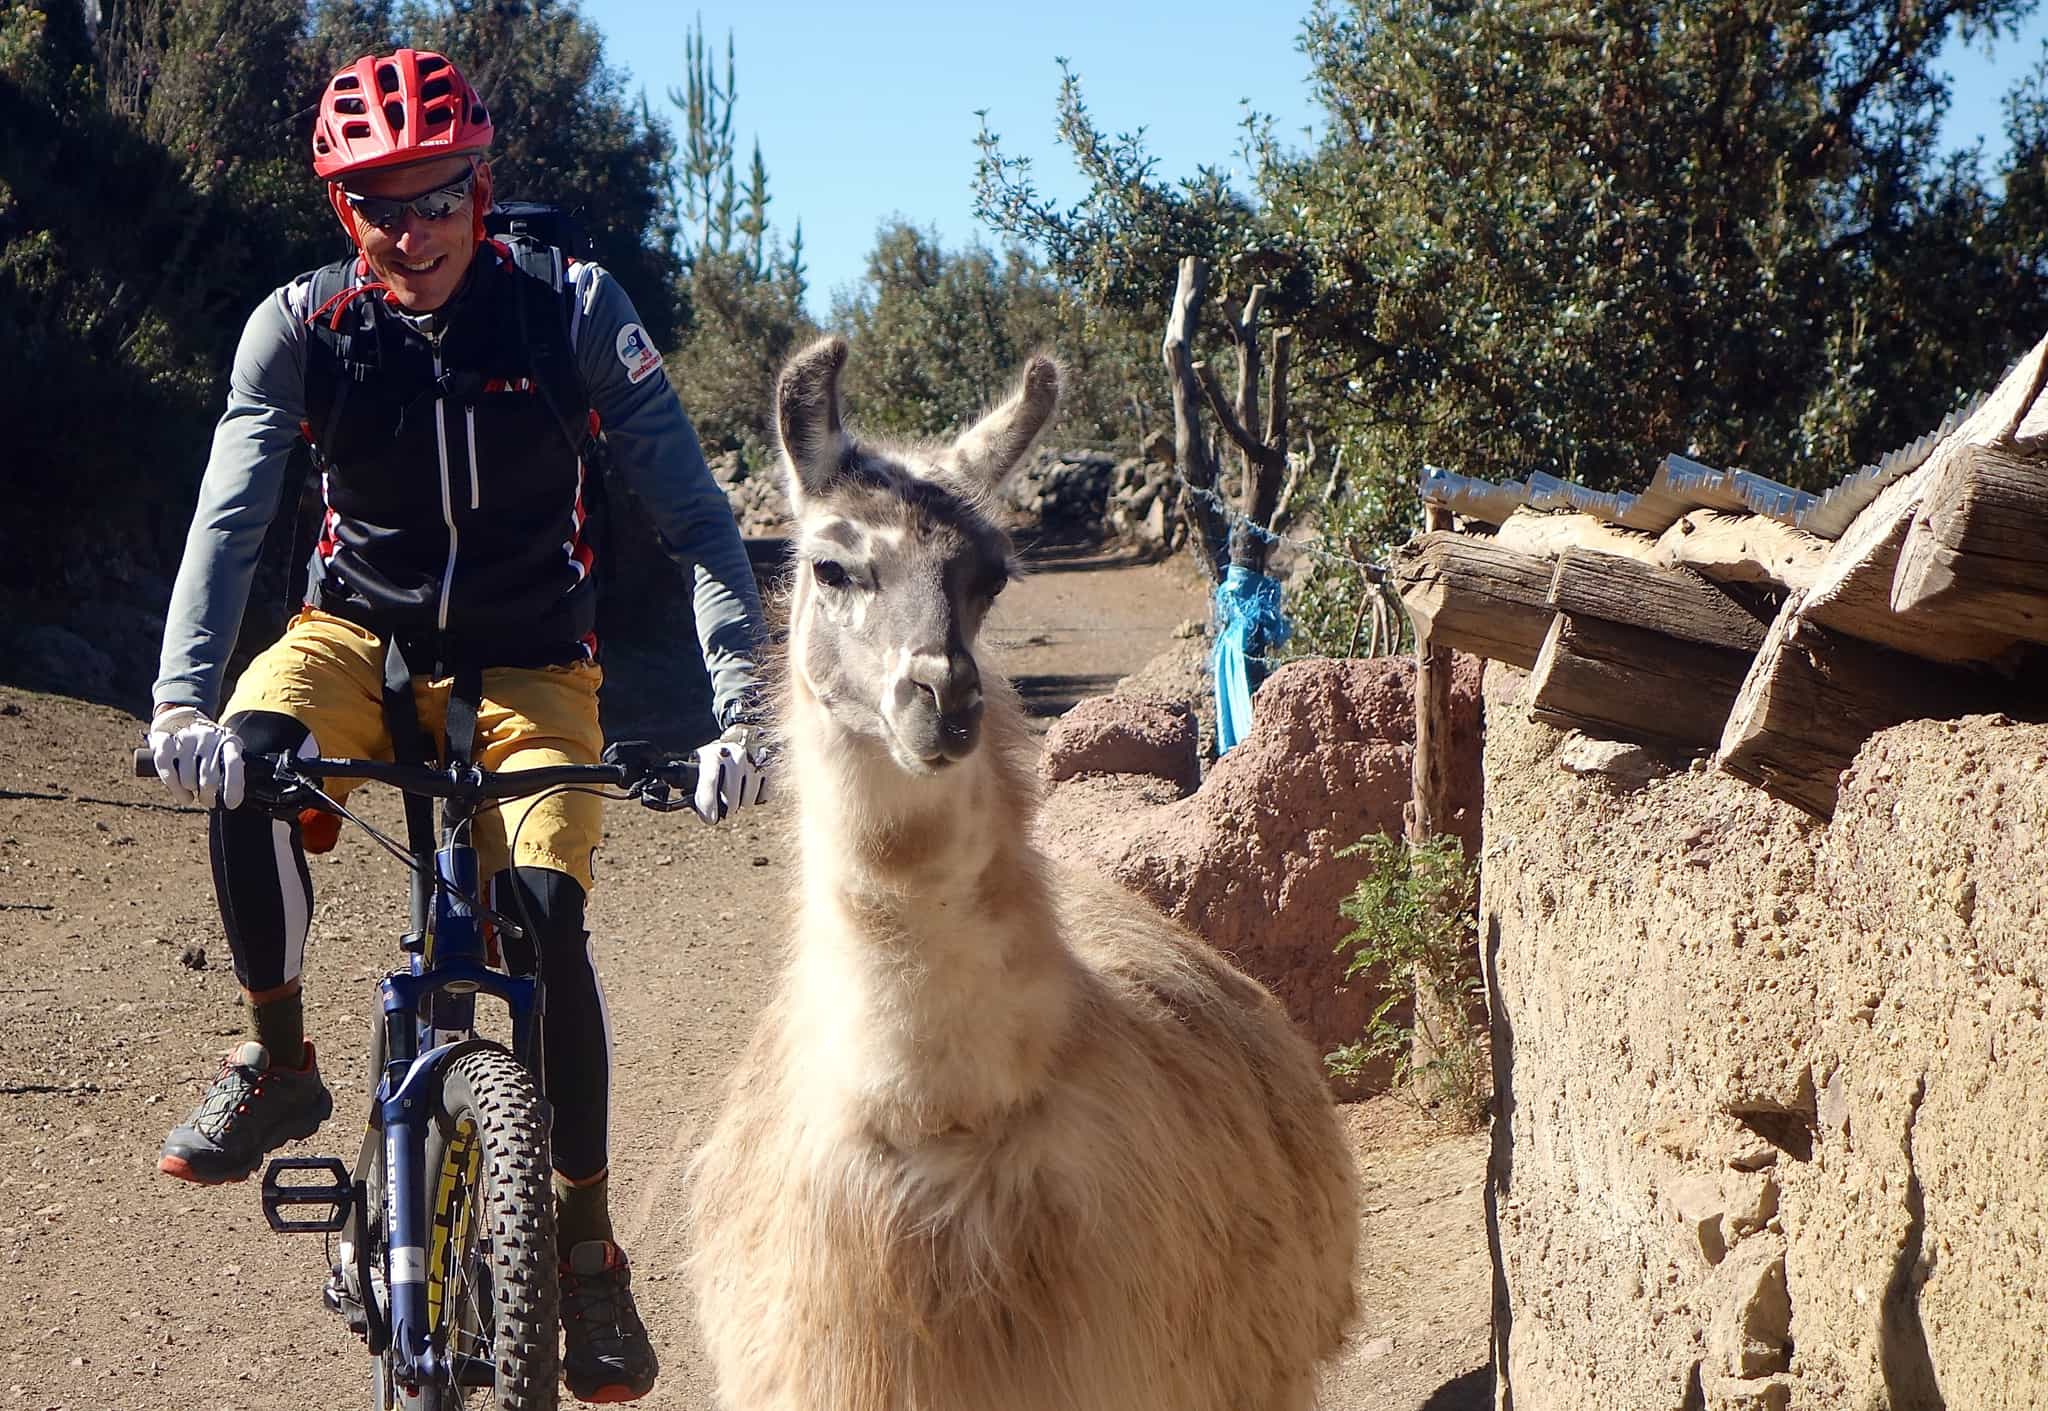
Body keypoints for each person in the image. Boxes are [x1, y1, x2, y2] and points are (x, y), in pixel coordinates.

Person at [144, 47, 768, 1404]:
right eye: (376, 203)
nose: (408, 231)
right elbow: (232, 516)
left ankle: (589, 1255)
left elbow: (696, 520)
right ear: (339, 209)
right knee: (247, 768)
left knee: (544, 911)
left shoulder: (573, 312)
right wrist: (185, 698)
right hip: (351, 640)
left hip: (536, 659)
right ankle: (279, 1058)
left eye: (435, 198)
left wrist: (740, 706)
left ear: (481, 191)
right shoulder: (301, 328)